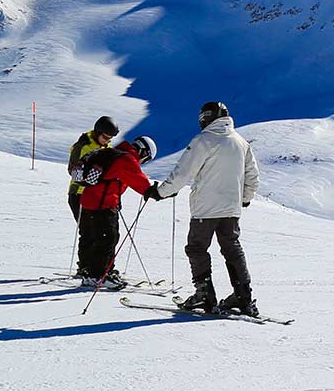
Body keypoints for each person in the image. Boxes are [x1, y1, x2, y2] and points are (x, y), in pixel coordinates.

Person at [156, 102, 261, 316]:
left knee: (196, 248)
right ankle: (243, 297)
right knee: (232, 250)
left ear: (207, 117)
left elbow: (184, 172)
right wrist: (246, 198)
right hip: (231, 209)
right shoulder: (240, 142)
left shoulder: (204, 140)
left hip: (205, 209)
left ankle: (204, 294)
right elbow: (252, 175)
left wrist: (162, 192)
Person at [76, 135, 161, 288]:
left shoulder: (112, 153)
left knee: (92, 237)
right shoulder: (127, 159)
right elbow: (138, 180)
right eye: (146, 159)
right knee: (107, 239)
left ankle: (89, 270)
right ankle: (97, 275)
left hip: (87, 200)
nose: (143, 163)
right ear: (143, 152)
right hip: (102, 204)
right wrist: (156, 192)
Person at [66, 117, 119, 277]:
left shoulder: (106, 146)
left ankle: (100, 267)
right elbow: (72, 171)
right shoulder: (82, 146)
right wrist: (89, 179)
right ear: (97, 132)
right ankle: (84, 268)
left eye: (110, 138)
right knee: (88, 232)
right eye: (105, 137)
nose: (107, 141)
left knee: (100, 233)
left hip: (97, 197)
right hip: (79, 194)